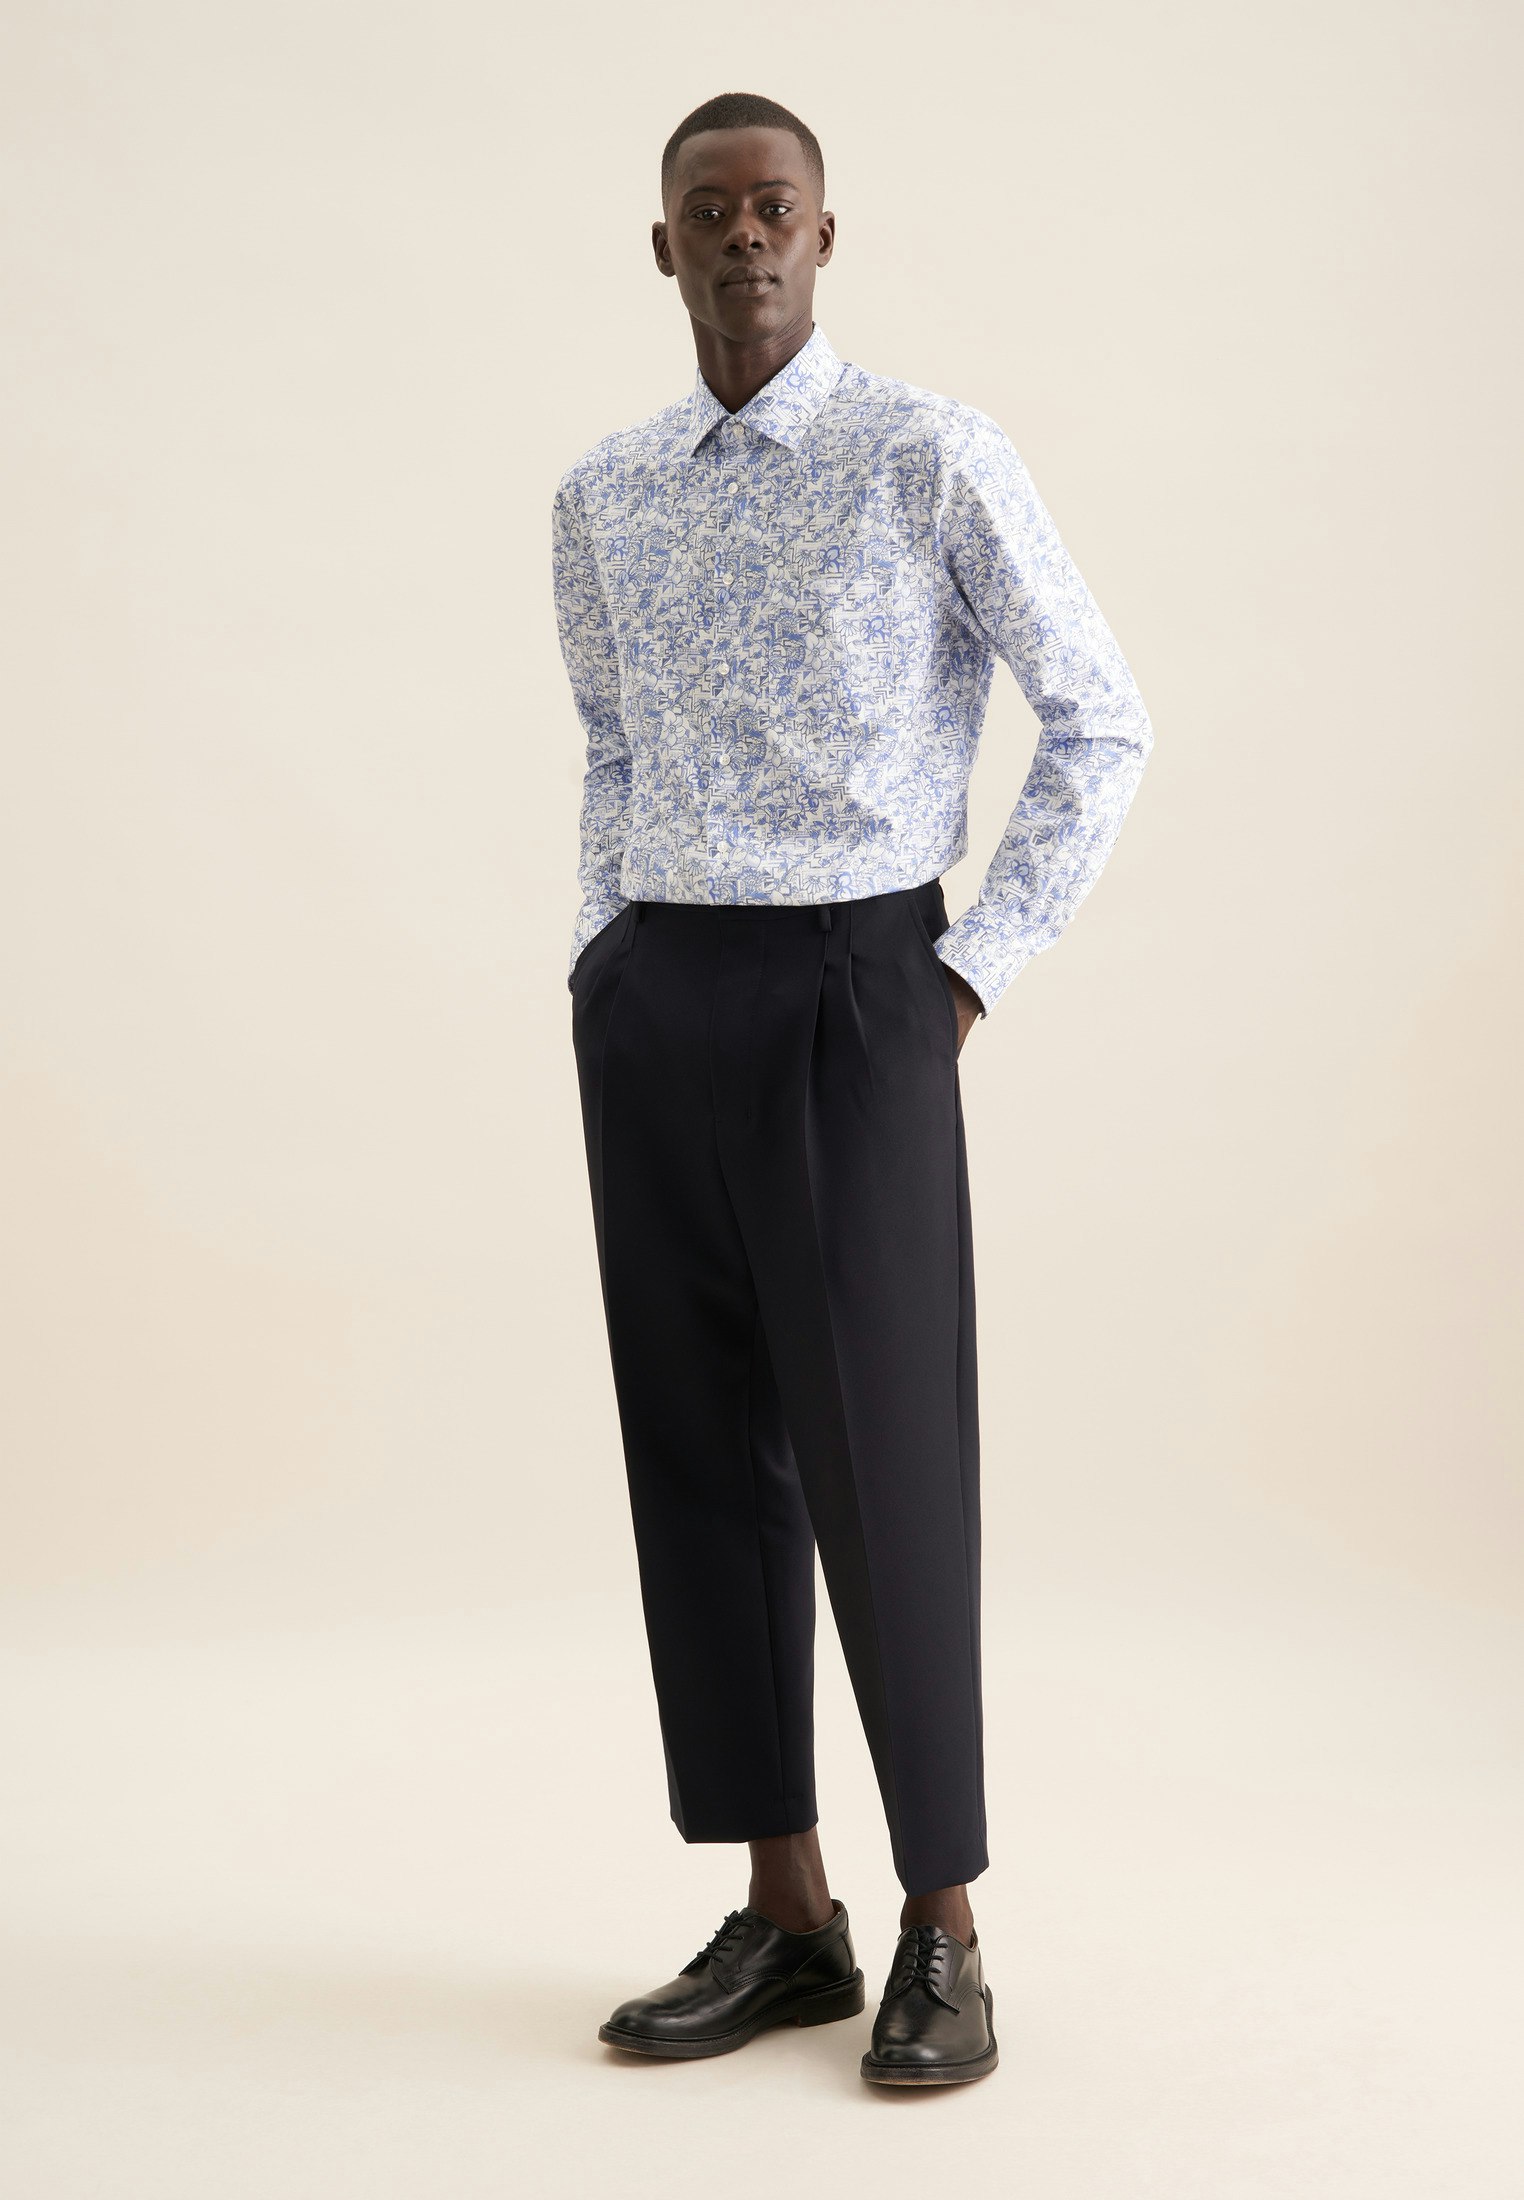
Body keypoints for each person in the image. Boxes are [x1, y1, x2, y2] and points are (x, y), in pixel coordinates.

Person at [551, 89, 1152, 2088]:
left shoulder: (927, 452)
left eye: (776, 206)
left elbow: (1101, 718)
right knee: (700, 1461)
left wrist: (968, 969)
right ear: (664, 247)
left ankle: (945, 1928)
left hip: (856, 986)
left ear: (826, 234)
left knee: (885, 1464)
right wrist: (604, 951)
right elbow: (610, 742)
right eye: (708, 209)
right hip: (662, 997)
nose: (744, 233)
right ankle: (788, 1911)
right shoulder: (606, 494)